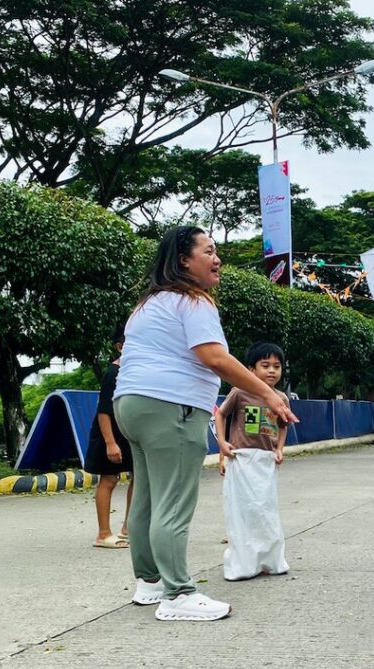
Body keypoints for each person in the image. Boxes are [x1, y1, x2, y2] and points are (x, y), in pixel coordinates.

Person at [113, 225, 297, 622]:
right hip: (171, 407)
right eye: (209, 251)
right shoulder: (194, 301)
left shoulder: (147, 305)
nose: (217, 260)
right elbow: (214, 357)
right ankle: (178, 593)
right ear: (184, 260)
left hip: (131, 404)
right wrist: (268, 394)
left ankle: (149, 583)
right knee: (174, 502)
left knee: (146, 498)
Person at [84, 324, 133, 549]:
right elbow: (103, 410)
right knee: (109, 479)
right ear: (120, 347)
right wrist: (110, 443)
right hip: (110, 433)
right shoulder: (113, 372)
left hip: (129, 433)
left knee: (139, 477)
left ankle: (129, 527)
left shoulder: (136, 371)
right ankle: (103, 534)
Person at [216, 341, 290, 478]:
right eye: (266, 366)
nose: (272, 370)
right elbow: (220, 414)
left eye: (277, 366)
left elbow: (283, 426)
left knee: (265, 499)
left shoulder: (282, 399)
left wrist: (279, 449)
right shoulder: (239, 392)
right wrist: (221, 442)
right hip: (240, 457)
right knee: (240, 498)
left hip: (267, 459)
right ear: (251, 370)